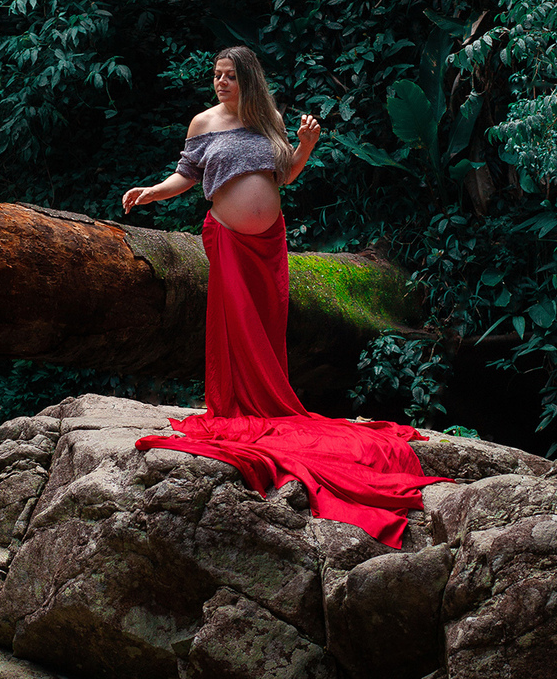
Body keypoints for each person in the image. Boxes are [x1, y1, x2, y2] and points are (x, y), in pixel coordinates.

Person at [122, 46, 448, 546]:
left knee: (266, 323)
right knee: (237, 324)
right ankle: (237, 404)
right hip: (228, 238)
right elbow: (186, 177)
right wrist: (151, 191)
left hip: (269, 244)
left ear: (249, 79)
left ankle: (269, 401)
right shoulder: (203, 122)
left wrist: (306, 145)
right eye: (217, 75)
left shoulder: (267, 118)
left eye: (230, 76)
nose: (221, 83)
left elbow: (285, 175)